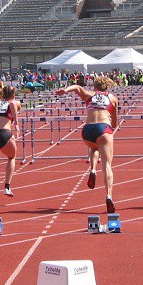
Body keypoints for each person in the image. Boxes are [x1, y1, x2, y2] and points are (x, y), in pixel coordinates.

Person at [56, 76, 119, 213]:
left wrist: (65, 90)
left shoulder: (90, 95)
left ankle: (92, 169)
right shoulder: (112, 98)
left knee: (94, 146)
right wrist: (108, 128)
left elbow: (77, 87)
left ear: (95, 87)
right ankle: (108, 195)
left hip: (88, 130)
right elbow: (114, 123)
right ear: (107, 87)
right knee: (107, 165)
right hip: (104, 128)